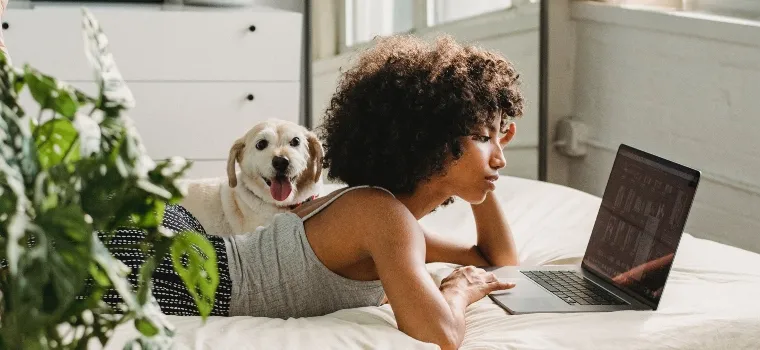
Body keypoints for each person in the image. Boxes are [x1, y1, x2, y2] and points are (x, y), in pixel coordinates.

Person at [100, 34, 525, 350]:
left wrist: (485, 173)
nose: (499, 156)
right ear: (432, 140)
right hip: (177, 267)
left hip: (190, 250)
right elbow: (442, 335)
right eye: (483, 137)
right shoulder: (383, 218)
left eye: (497, 140)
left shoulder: (385, 219)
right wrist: (457, 289)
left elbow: (498, 262)